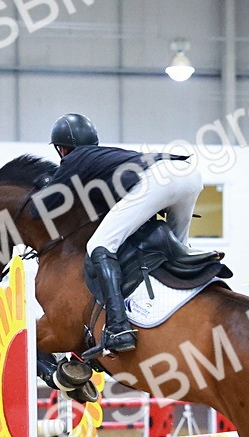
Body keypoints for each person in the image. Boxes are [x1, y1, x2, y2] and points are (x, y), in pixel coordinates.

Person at [42, 112, 203, 354]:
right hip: (189, 175)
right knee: (179, 249)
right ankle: (185, 304)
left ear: (62, 149)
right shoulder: (107, 158)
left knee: (99, 246)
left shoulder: (75, 159)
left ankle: (118, 327)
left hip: (161, 182)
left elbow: (48, 202)